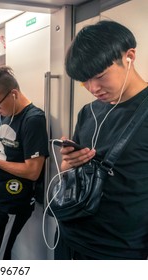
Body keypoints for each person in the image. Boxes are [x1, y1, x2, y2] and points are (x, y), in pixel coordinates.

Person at [55, 20, 148, 260]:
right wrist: (69, 164)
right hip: (69, 238)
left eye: (100, 76)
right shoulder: (88, 112)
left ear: (129, 57)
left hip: (118, 250)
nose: (93, 88)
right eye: (84, 81)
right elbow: (68, 172)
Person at [0, 66, 48, 259]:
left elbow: (32, 171)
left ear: (13, 94)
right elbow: (7, 149)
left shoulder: (33, 120)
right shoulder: (6, 115)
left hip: (12, 202)